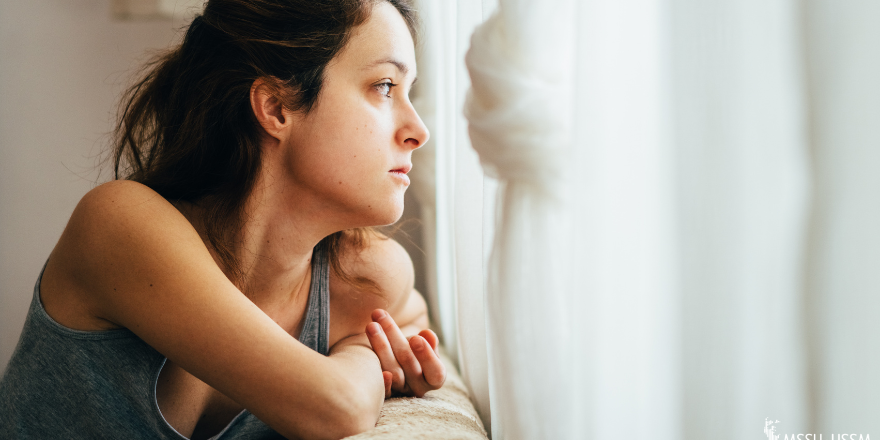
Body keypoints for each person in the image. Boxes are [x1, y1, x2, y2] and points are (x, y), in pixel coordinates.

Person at [0, 0, 446, 438]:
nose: (418, 130)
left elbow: (412, 316)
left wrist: (365, 343)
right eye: (385, 86)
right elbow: (339, 407)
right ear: (275, 108)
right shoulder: (118, 224)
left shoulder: (362, 276)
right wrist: (366, 355)